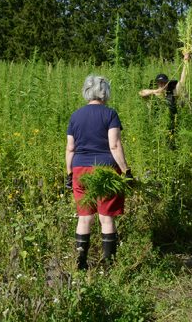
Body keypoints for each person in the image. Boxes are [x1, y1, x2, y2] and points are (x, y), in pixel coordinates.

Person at [66, 75, 131, 270]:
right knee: (106, 217)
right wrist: (126, 171)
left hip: (79, 168)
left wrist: (69, 174)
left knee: (84, 217)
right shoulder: (110, 114)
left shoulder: (75, 116)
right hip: (105, 170)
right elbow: (114, 144)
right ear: (105, 92)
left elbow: (70, 148)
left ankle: (80, 264)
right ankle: (109, 266)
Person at [138, 52, 191, 148]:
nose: (162, 85)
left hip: (171, 129)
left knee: (170, 147)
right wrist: (156, 91)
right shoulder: (152, 97)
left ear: (167, 84)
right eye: (159, 83)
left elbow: (182, 80)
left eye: (164, 83)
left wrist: (185, 61)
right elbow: (141, 93)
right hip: (156, 130)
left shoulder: (173, 94)